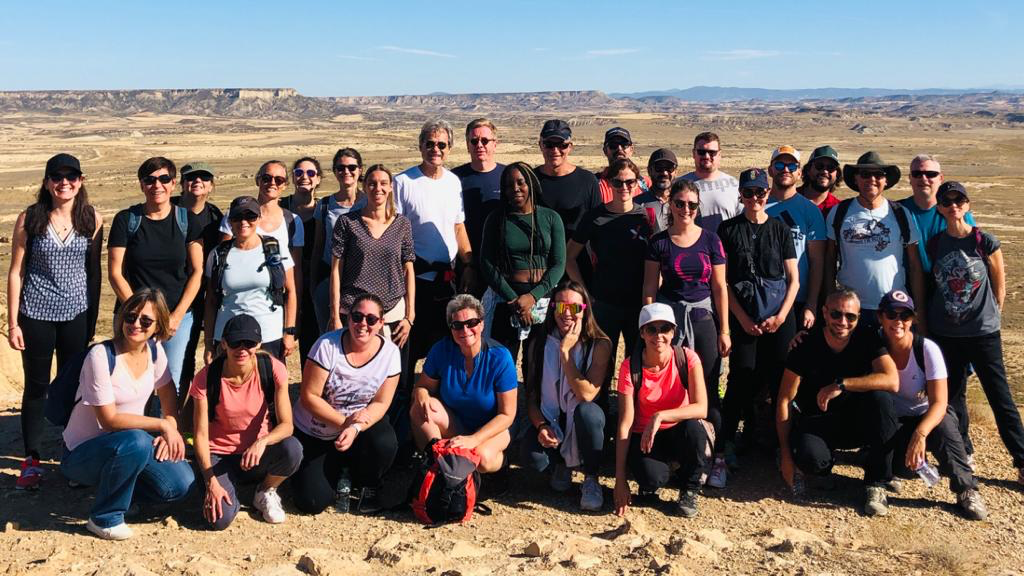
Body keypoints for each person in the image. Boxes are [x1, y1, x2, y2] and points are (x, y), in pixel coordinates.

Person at [60, 289, 195, 540]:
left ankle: (120, 490)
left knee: (179, 484)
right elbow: (108, 420)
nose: (135, 324)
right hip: (82, 455)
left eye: (146, 321)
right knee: (137, 439)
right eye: (130, 317)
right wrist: (162, 426)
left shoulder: (155, 351)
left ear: (158, 326)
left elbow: (168, 397)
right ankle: (104, 517)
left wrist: (170, 429)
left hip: (128, 447)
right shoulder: (101, 356)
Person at [7, 153, 102, 490]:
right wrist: (13, 321)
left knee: (75, 385)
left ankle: (70, 451)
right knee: (37, 386)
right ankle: (31, 460)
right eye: (57, 177)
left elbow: (94, 273)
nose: (65, 183)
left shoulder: (92, 219)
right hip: (35, 314)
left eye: (71, 176)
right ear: (47, 182)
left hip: (76, 313)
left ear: (81, 181)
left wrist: (91, 321)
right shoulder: (30, 219)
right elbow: (17, 271)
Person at [928, 181, 1024, 483]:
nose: (953, 206)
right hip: (947, 333)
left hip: (983, 333)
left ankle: (1021, 459)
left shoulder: (985, 241)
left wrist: (991, 314)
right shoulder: (935, 244)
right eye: (947, 201)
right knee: (954, 395)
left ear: (967, 204)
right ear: (940, 208)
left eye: (959, 200)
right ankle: (963, 451)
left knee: (1000, 397)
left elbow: (999, 284)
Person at [776, 289, 900, 516]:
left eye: (850, 316)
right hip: (819, 421)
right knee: (811, 459)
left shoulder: (867, 337)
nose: (843, 322)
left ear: (859, 317)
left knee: (881, 399)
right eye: (836, 314)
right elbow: (785, 400)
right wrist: (785, 454)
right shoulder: (805, 344)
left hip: (857, 419)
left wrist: (841, 385)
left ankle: (877, 482)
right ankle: (823, 468)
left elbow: (892, 380)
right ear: (824, 313)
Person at [642, 178, 729, 486]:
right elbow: (650, 289)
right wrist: (651, 327)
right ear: (671, 206)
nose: (686, 210)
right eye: (679, 203)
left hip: (704, 318)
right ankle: (678, 451)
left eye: (692, 204)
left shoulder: (710, 241)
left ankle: (714, 457)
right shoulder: (659, 243)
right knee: (672, 384)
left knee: (705, 386)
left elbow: (719, 287)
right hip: (669, 320)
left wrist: (725, 330)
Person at [876, 289, 987, 520]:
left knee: (945, 422)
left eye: (905, 316)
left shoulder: (927, 349)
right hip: (893, 422)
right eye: (891, 314)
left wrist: (920, 433)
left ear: (913, 320)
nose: (898, 322)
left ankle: (966, 489)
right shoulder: (873, 346)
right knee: (903, 468)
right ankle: (892, 473)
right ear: (880, 317)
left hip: (926, 417)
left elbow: (939, 402)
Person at [329, 164, 415, 446]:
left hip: (392, 313)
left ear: (391, 187)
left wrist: (410, 315)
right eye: (372, 183)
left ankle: (391, 442)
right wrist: (335, 314)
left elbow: (408, 269)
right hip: (357, 316)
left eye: (383, 184)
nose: (377, 189)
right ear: (364, 187)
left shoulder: (401, 224)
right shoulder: (348, 223)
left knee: (393, 382)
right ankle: (350, 437)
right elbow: (336, 270)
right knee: (352, 383)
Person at [292, 294, 402, 514]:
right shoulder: (326, 345)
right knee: (312, 502)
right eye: (357, 316)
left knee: (384, 442)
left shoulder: (390, 353)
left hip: (357, 427)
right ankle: (337, 470)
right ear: (348, 317)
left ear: (381, 323)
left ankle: (366, 483)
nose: (363, 324)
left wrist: (355, 428)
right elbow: (309, 396)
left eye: (371, 319)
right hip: (317, 429)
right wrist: (344, 423)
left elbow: (381, 402)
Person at [190, 314, 302, 529]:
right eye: (235, 343)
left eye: (249, 343)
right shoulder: (206, 378)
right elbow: (201, 436)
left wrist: (262, 442)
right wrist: (210, 480)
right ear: (224, 344)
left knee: (293, 449)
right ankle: (226, 488)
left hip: (256, 454)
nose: (242, 349)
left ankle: (264, 490)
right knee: (218, 521)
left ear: (258, 344)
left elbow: (287, 425)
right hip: (220, 455)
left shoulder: (272, 368)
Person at [718, 168, 799, 459]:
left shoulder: (780, 230)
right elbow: (723, 282)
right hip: (744, 317)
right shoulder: (727, 230)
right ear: (740, 194)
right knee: (740, 378)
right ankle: (727, 443)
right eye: (748, 192)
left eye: (760, 192)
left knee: (780, 380)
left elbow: (794, 280)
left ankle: (782, 445)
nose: (755, 198)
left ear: (768, 193)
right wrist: (740, 319)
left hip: (779, 317)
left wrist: (780, 317)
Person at [108, 157, 203, 394]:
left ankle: (167, 429)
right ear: (141, 185)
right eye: (150, 180)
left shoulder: (186, 220)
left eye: (164, 179)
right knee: (131, 381)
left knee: (170, 381)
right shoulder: (126, 220)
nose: (157, 185)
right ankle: (135, 430)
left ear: (173, 184)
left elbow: (197, 271)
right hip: (134, 317)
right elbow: (114, 272)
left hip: (176, 317)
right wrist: (139, 314)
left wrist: (176, 316)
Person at [394, 119, 474, 382]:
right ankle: (402, 404)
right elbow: (394, 231)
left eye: (441, 144)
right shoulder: (403, 182)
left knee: (446, 346)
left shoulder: (453, 182)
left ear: (449, 148)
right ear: (420, 146)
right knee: (408, 347)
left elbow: (458, 226)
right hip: (414, 280)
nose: (435, 149)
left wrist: (469, 265)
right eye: (430, 144)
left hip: (447, 281)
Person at [521, 280, 612, 511]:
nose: (567, 314)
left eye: (574, 308)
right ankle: (562, 464)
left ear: (585, 310)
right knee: (532, 460)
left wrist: (565, 352)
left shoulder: (600, 344)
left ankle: (591, 477)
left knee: (587, 413)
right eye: (561, 307)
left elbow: (587, 394)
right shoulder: (538, 342)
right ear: (553, 309)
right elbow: (531, 396)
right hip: (552, 417)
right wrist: (540, 425)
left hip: (584, 419)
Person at [614, 303, 709, 518]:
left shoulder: (687, 358)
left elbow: (702, 408)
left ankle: (690, 488)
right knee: (651, 478)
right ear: (642, 333)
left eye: (665, 328)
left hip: (678, 429)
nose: (659, 335)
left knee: (695, 428)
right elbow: (625, 423)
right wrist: (620, 480)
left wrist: (661, 416)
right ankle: (665, 473)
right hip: (645, 436)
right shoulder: (630, 366)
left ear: (674, 332)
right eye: (651, 329)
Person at [410, 294, 517, 474]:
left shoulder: (500, 357)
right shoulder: (441, 350)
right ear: (451, 329)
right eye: (457, 325)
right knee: (421, 408)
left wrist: (474, 439)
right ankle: (436, 461)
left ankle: (502, 466)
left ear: (482, 324)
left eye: (472, 323)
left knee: (482, 457)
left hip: (493, 426)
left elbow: (507, 414)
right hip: (458, 423)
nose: (465, 330)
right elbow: (423, 387)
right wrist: (420, 394)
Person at [479, 161, 565, 370]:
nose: (515, 188)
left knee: (538, 362)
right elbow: (487, 263)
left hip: (543, 297)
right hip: (507, 298)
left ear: (531, 184)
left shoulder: (550, 218)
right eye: (509, 185)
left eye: (520, 182)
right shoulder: (496, 219)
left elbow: (559, 263)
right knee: (503, 360)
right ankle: (503, 403)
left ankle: (534, 403)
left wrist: (532, 297)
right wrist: (515, 300)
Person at [824, 151, 925, 330]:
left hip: (893, 308)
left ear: (885, 181)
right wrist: (831, 300)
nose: (872, 179)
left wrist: (919, 308)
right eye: (865, 174)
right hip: (850, 310)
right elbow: (829, 261)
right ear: (856, 179)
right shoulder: (839, 212)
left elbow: (915, 265)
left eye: (878, 174)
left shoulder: (901, 214)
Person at [567, 158, 651, 359]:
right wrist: (585, 293)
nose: (624, 187)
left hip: (638, 303)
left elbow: (657, 261)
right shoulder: (595, 217)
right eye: (617, 182)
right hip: (604, 302)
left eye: (630, 182)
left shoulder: (647, 217)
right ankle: (600, 392)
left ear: (637, 183)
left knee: (638, 361)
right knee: (600, 362)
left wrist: (652, 298)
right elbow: (569, 257)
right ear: (608, 183)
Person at [204, 196, 298, 361]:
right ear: (230, 221)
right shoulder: (218, 254)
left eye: (250, 216)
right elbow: (211, 300)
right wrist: (208, 343)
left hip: (268, 334)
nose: (243, 222)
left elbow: (290, 292)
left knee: (268, 384)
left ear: (259, 218)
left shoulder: (275, 249)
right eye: (237, 217)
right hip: (228, 337)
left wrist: (289, 332)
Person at [218, 159, 305, 301]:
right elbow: (221, 260)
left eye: (279, 180)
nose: (272, 183)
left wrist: (296, 310)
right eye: (266, 178)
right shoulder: (235, 216)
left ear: (285, 185)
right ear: (257, 180)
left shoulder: (293, 221)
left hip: (276, 300)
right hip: (236, 297)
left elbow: (296, 271)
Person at [173, 162, 224, 399]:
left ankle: (183, 411)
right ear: (182, 184)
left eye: (204, 178)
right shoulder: (168, 210)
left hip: (203, 297)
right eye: (191, 178)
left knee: (188, 356)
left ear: (211, 186)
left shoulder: (216, 217)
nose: (197, 182)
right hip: (171, 293)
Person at [764, 146, 826, 329]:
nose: (785, 170)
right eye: (780, 165)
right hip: (762, 298)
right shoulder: (756, 204)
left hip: (798, 299)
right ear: (770, 170)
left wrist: (811, 304)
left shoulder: (810, 211)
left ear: (799, 173)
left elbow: (817, 261)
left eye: (791, 167)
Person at [533, 119, 601, 281]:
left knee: (572, 308)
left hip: (577, 273)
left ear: (570, 147)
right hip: (538, 272)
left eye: (561, 145)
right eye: (549, 144)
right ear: (540, 145)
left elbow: (598, 229)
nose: (555, 150)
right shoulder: (530, 180)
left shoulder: (587, 181)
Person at [311, 149, 366, 332]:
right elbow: (318, 246)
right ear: (334, 171)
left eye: (351, 167)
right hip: (328, 280)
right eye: (341, 168)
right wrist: (313, 284)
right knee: (329, 336)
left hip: (361, 280)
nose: (346, 172)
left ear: (360, 170)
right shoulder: (325, 205)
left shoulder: (370, 203)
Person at [898, 154, 976, 275]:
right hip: (905, 286)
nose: (923, 179)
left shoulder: (957, 213)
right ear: (910, 178)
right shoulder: (897, 211)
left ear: (941, 178)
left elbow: (976, 254)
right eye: (917, 174)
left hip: (948, 285)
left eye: (931, 174)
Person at [452, 118, 505, 295]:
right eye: (474, 141)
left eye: (485, 141)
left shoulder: (508, 177)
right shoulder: (454, 179)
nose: (479, 145)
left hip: (502, 266)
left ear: (495, 144)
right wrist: (468, 264)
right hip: (465, 265)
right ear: (467, 145)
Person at [280, 156, 321, 362]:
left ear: (318, 179)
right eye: (299, 173)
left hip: (314, 283)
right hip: (283, 285)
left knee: (313, 343)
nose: (305, 177)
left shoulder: (325, 210)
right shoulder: (280, 208)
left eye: (311, 173)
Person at [677, 132, 740, 235]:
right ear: (693, 153)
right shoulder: (679, 185)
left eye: (712, 152)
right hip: (690, 249)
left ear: (719, 154)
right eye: (701, 152)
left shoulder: (734, 185)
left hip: (726, 249)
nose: (706, 156)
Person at [595, 127, 650, 202]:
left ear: (631, 149)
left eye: (624, 145)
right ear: (605, 150)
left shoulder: (645, 184)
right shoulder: (594, 184)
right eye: (613, 145)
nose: (619, 149)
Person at [635, 148, 678, 234]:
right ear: (649, 171)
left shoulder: (684, 203)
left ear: (676, 172)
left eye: (669, 168)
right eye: (659, 168)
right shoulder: (636, 204)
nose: (664, 173)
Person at [797, 145, 842, 217]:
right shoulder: (790, 199)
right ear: (808, 169)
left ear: (837, 174)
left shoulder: (839, 209)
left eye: (831, 167)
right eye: (819, 166)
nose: (825, 171)